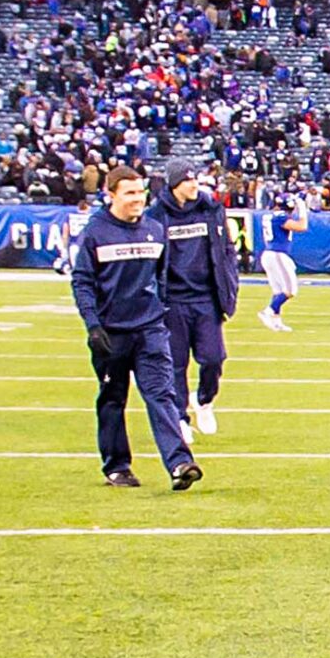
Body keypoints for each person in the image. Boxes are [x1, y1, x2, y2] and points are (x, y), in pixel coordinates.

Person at [67, 164, 198, 490]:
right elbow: (82, 281)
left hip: (150, 330)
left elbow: (162, 277)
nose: (137, 199)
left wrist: (160, 312)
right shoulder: (95, 233)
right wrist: (93, 326)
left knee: (162, 395)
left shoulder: (154, 230)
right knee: (113, 398)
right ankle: (117, 466)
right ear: (110, 195)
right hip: (111, 332)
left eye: (140, 192)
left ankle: (180, 463)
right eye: (129, 193)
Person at [157, 161, 240, 434]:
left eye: (194, 180)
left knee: (214, 358)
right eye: (186, 181)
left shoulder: (210, 209)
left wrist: (230, 284)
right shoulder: (157, 215)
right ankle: (180, 418)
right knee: (175, 363)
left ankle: (204, 400)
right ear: (173, 185)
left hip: (206, 297)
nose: (194, 185)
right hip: (173, 300)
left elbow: (226, 249)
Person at [257, 189, 309, 333]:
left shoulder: (271, 215)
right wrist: (303, 208)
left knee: (278, 291)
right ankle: (267, 312)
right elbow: (302, 227)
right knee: (291, 290)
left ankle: (276, 322)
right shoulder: (280, 217)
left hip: (270, 254)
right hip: (277, 254)